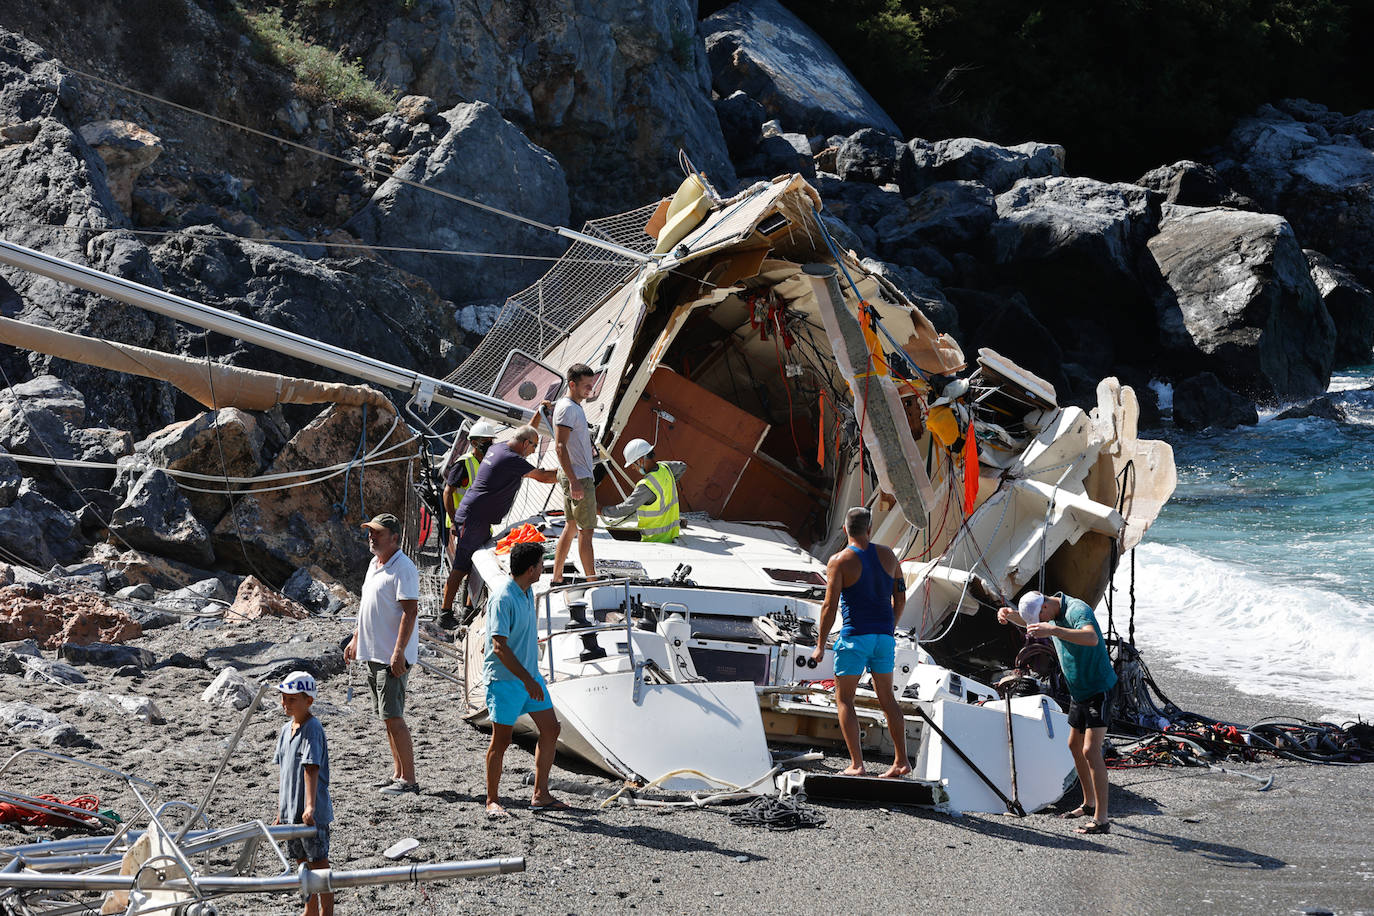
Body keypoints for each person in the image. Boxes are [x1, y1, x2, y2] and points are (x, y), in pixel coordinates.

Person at [998, 589, 1118, 834]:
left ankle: (1102, 819)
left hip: (1099, 688)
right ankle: (1088, 803)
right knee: (1074, 745)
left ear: (1044, 608)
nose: (1042, 624)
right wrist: (1010, 615)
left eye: (1041, 619)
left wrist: (1052, 630)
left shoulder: (1076, 609)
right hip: (1079, 691)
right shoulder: (1049, 608)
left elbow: (1092, 637)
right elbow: (1032, 621)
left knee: (1090, 750)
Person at [810, 506, 912, 778]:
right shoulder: (889, 555)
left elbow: (829, 606)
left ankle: (857, 765)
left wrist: (820, 644)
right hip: (884, 638)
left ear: (845, 530)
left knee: (844, 699)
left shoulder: (839, 561)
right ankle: (901, 761)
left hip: (855, 638)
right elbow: (900, 596)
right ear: (870, 529)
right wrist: (890, 624)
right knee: (888, 699)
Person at [439, 424, 559, 628]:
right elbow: (544, 476)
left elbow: (527, 429)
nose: (533, 452)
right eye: (534, 446)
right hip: (474, 519)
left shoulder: (499, 448)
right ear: (525, 443)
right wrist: (573, 475)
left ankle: (468, 609)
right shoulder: (512, 459)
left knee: (476, 564)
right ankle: (445, 614)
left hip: (478, 518)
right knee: (461, 566)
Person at [482, 541, 567, 819]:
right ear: (531, 569)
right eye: (541, 564)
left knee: (551, 729)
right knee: (501, 741)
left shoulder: (527, 591)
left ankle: (540, 795)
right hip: (505, 680)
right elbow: (499, 647)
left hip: (529, 676)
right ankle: (492, 800)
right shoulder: (502, 597)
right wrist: (527, 680)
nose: (543, 568)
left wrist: (531, 675)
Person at [344, 513, 421, 796]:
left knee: (394, 716)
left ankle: (409, 780)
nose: (371, 536)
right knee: (387, 717)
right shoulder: (374, 564)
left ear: (394, 538)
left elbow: (410, 611)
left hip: (391, 656)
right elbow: (367, 606)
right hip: (373, 652)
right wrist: (355, 639)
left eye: (377, 532)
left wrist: (399, 652)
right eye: (370, 532)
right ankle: (398, 773)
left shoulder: (404, 567)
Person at [273, 670, 333, 916]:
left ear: (308, 700)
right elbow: (284, 775)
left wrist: (309, 807)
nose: (285, 704)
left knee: (318, 864)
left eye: (292, 699)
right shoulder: (286, 730)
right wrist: (281, 812)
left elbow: (311, 768)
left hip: (311, 814)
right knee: (301, 863)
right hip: (290, 812)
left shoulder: (313, 728)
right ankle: (309, 908)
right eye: (284, 698)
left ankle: (326, 910)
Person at [550, 364, 599, 585]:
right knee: (585, 531)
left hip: (576, 475)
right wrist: (574, 481)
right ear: (572, 384)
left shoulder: (569, 406)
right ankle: (592, 581)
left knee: (570, 527)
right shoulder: (569, 408)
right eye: (586, 385)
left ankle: (557, 577)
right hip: (579, 477)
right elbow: (560, 447)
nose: (591, 389)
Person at [599, 438, 685, 543]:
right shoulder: (666, 468)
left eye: (633, 464)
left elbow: (626, 508)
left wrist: (602, 511)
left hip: (654, 539)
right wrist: (670, 484)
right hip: (672, 534)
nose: (633, 468)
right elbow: (682, 466)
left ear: (640, 460)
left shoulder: (646, 486)